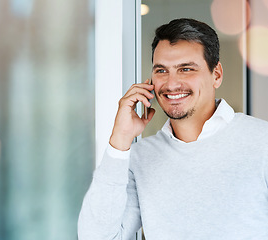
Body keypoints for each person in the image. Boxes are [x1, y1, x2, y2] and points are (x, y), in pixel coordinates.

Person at [78, 18, 268, 240]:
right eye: (161, 70)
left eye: (185, 69)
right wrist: (119, 140)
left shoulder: (261, 142)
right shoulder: (140, 157)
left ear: (216, 75)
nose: (171, 83)